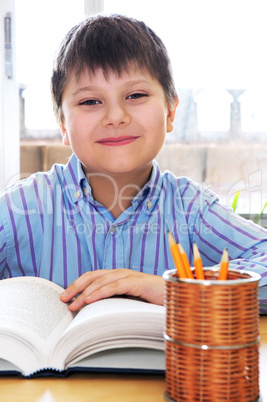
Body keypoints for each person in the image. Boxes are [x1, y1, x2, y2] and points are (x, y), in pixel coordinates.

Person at [0, 15, 266, 314]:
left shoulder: (192, 209)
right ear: (63, 124)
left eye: (136, 95)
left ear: (170, 111)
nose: (116, 116)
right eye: (90, 102)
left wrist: (175, 288)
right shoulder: (15, 210)